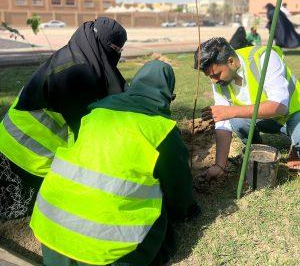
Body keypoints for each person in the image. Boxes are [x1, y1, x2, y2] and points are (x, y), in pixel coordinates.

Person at [30, 60, 200, 266]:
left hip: (51, 232)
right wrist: (187, 210)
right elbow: (177, 184)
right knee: (162, 230)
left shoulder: (95, 113)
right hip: (105, 251)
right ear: (167, 95)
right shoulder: (160, 129)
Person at [0, 17, 127, 220]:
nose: (117, 54)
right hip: (25, 157)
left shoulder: (74, 56)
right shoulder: (77, 75)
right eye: (113, 48)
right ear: (99, 43)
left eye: (120, 50)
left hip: (9, 143)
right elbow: (87, 135)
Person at [194, 37, 300, 179]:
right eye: (210, 77)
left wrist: (231, 111)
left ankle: (296, 147)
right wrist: (220, 165)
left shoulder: (264, 58)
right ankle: (257, 150)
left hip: (293, 114)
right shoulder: (219, 81)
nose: (213, 81)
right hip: (266, 119)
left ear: (231, 61)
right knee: (237, 121)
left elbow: (279, 106)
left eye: (216, 75)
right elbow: (223, 124)